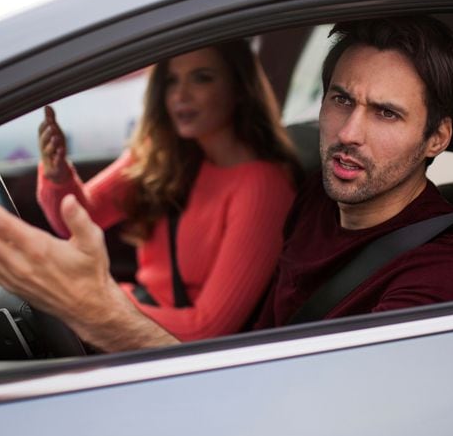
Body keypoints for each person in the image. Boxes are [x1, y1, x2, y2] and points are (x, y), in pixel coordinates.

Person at [0, 16, 453, 352]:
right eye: (340, 99)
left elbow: (309, 427)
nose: (349, 132)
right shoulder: (312, 196)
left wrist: (102, 312)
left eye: (385, 114)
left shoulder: (449, 274)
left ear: (437, 137)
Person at [31, 41, 300, 341]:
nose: (180, 95)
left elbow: (207, 329)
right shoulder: (162, 154)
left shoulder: (262, 187)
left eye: (202, 78)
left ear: (239, 87)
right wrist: (57, 174)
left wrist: (95, 307)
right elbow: (78, 220)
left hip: (167, 349)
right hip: (133, 315)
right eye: (172, 80)